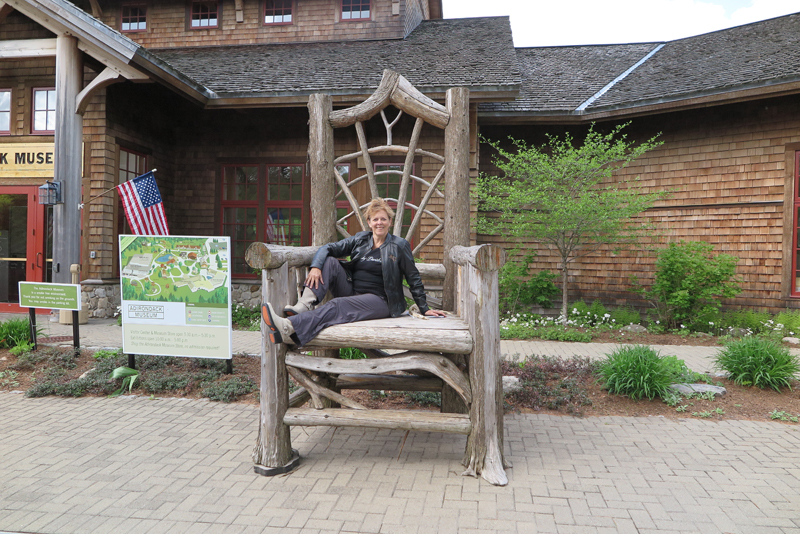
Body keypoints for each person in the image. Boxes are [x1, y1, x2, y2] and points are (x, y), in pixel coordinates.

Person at [261, 198, 446, 346]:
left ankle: (288, 327)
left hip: (381, 301)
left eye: (383, 219)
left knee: (338, 305)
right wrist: (316, 266)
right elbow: (329, 248)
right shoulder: (360, 239)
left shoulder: (399, 246)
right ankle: (303, 306)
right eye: (375, 219)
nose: (379, 223)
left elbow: (413, 278)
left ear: (390, 221)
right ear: (369, 222)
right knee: (331, 261)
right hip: (353, 291)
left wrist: (425, 308)